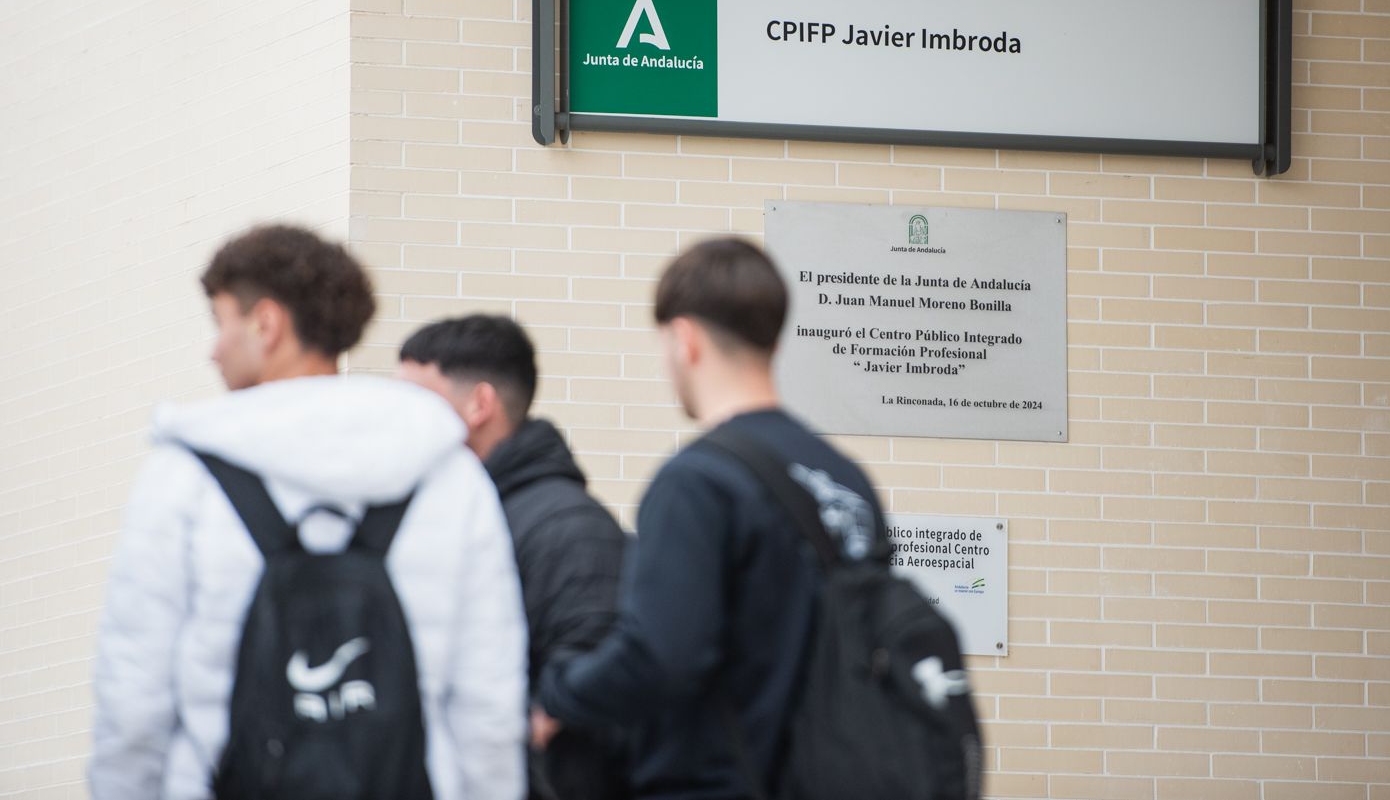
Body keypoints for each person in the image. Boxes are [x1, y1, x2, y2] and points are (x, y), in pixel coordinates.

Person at [89, 224, 528, 800]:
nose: (213, 349)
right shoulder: (449, 474)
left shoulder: (186, 477)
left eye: (221, 323)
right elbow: (489, 698)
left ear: (266, 324)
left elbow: (135, 692)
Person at [533, 237, 887, 800]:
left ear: (685, 338)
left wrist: (556, 697)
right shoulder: (847, 479)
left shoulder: (696, 482)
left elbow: (660, 655)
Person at [397, 314, 629, 800]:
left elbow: (591, 672)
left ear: (480, 404)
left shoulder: (569, 528)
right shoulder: (465, 512)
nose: (405, 419)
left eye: (419, 400)